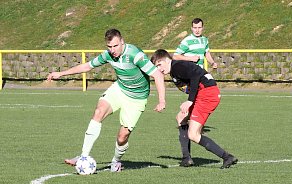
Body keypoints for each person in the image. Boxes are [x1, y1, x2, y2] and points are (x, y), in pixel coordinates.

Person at [47, 28, 166, 172]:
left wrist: (162, 101)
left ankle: (116, 161)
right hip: (120, 89)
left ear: (122, 42)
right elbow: (87, 66)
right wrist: (61, 73)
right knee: (99, 111)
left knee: (123, 137)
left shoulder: (135, 55)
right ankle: (83, 156)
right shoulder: (108, 55)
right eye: (109, 47)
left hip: (137, 98)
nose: (113, 50)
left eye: (115, 46)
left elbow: (157, 75)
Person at [151, 49, 237, 169]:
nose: (159, 69)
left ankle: (227, 157)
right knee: (181, 118)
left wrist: (190, 101)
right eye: (156, 67)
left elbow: (195, 75)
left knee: (193, 134)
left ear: (167, 60)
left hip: (207, 94)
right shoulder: (176, 69)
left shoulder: (177, 66)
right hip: (204, 93)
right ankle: (187, 158)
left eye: (159, 64)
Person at [173, 18, 218, 163]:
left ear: (203, 28)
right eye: (194, 28)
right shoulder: (187, 41)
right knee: (184, 115)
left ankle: (188, 153)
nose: (197, 30)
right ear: (191, 28)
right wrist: (190, 58)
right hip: (191, 77)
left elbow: (207, 53)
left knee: (183, 117)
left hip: (199, 78)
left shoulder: (204, 40)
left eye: (199, 27)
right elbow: (175, 56)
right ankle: (192, 138)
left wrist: (212, 62)